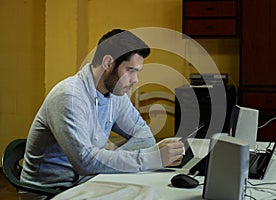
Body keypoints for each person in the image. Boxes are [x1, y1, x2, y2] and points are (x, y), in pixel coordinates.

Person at [20, 29, 184, 199]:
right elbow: (86, 162)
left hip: (90, 180)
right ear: (107, 63)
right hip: (50, 193)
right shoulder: (69, 97)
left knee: (150, 193)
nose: (135, 80)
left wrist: (110, 158)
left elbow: (144, 138)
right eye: (130, 70)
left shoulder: (115, 93)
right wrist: (151, 159)